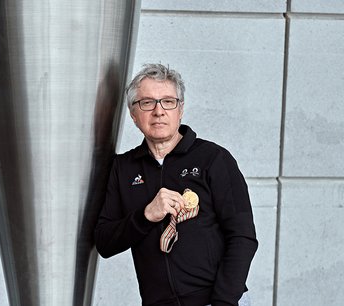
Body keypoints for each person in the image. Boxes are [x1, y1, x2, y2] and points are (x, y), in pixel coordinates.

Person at [95, 63, 258, 306]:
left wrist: (223, 302)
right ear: (133, 114)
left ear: (180, 109)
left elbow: (242, 236)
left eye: (168, 101)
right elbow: (105, 242)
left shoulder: (213, 159)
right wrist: (145, 215)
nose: (158, 111)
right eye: (147, 102)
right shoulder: (123, 168)